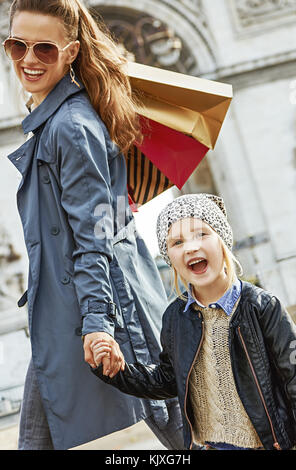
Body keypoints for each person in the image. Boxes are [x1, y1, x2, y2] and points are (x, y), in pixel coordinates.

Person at [4, 0, 186, 450]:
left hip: (104, 306)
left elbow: (93, 236)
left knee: (187, 430)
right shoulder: (55, 121)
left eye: (44, 49)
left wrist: (98, 322)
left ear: (70, 52)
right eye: (16, 45)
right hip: (69, 307)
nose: (28, 60)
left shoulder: (71, 126)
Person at [91, 193, 296, 450]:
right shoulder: (175, 317)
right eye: (177, 242)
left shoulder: (262, 307)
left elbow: (293, 377)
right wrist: (117, 371)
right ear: (171, 259)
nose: (190, 247)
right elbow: (168, 379)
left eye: (201, 234)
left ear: (222, 240)